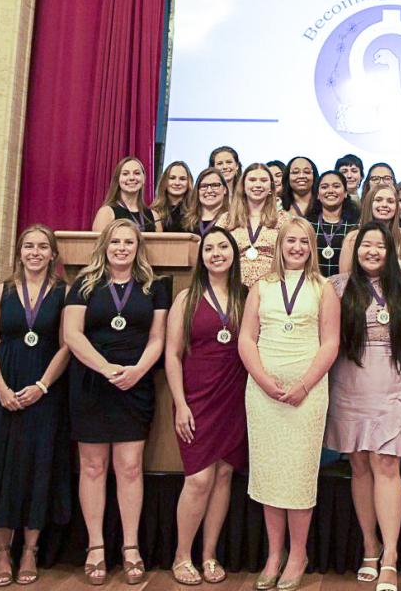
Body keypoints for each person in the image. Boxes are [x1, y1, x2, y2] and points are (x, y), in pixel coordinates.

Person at [62, 219, 170, 585]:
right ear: (104, 246)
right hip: (93, 382)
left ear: (138, 247)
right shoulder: (84, 284)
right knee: (92, 468)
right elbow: (72, 335)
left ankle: (130, 547)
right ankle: (95, 547)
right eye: (115, 242)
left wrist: (138, 369)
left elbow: (158, 337)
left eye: (129, 242)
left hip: (135, 384)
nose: (121, 248)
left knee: (129, 468)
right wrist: (107, 368)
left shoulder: (154, 287)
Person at [0, 226, 72, 587]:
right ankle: (1, 552)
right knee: (2, 465)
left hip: (44, 388)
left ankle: (30, 550)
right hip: (3, 389)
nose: (36, 252)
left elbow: (67, 345)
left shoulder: (63, 293)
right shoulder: (2, 291)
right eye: (29, 246)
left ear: (53, 254)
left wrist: (42, 386)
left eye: (43, 246)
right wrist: (0, 389)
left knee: (38, 465)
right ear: (19, 252)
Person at [239, 217, 340, 591]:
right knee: (268, 472)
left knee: (297, 474)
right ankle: (273, 554)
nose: (297, 247)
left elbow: (330, 343)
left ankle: (298, 554)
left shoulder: (323, 287)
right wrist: (264, 381)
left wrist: (304, 384)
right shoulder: (261, 286)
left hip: (307, 393)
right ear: (278, 245)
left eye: (304, 242)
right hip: (263, 392)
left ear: (312, 247)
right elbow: (247, 339)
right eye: (290, 241)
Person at [325, 224, 401, 591]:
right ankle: (370, 545)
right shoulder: (337, 286)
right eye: (366, 244)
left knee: (387, 462)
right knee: (360, 463)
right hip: (349, 378)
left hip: (393, 377)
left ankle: (391, 555)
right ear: (356, 248)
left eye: (380, 246)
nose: (372, 251)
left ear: (390, 251)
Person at [165, 227, 249, 586]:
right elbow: (172, 354)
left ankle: (209, 554)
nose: (216, 253)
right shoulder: (186, 297)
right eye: (209, 248)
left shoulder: (247, 296)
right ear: (201, 257)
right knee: (199, 478)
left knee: (224, 475)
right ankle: (182, 555)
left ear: (234, 253)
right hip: (196, 398)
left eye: (223, 247)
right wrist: (180, 403)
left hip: (235, 396)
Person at [339, 183, 401, 278]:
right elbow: (344, 281)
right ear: (369, 204)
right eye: (378, 200)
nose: (384, 205)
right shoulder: (352, 238)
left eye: (390, 201)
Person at [227, 162, 283, 288]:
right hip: (232, 288)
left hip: (272, 289)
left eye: (263, 180)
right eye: (252, 180)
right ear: (243, 185)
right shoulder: (227, 219)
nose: (257, 185)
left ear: (271, 187)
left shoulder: (284, 220)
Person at [307, 169, 360, 278]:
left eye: (336, 186)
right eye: (324, 187)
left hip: (347, 287)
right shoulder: (307, 224)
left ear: (345, 193)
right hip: (313, 285)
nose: (330, 191)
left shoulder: (356, 225)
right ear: (317, 194)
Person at [92, 156, 158, 232]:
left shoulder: (154, 216)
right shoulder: (106, 213)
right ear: (117, 179)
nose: (132, 178)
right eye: (125, 174)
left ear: (144, 179)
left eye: (137, 173)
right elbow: (100, 243)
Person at [186, 167, 231, 238]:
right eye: (204, 186)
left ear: (225, 189)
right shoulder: (185, 222)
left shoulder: (233, 221)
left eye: (215, 185)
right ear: (197, 191)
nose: (209, 191)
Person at [154, 161, 194, 233]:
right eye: (172, 178)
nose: (177, 183)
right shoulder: (153, 212)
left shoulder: (195, 211)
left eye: (182, 179)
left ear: (189, 183)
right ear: (164, 181)